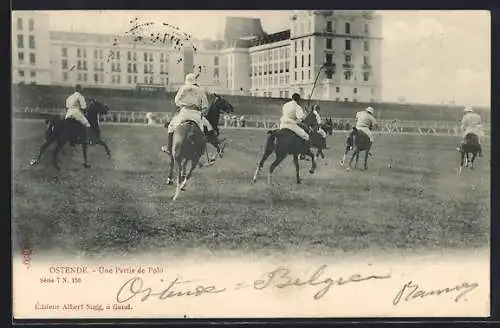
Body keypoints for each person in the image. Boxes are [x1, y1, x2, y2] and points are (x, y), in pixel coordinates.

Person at [163, 73, 219, 155]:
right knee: (208, 127)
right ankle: (217, 144)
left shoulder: (183, 88)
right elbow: (206, 105)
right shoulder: (200, 90)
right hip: (196, 114)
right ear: (195, 81)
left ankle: (168, 147)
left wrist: (184, 104)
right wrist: (202, 111)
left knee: (171, 127)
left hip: (184, 113)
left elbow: (177, 101)